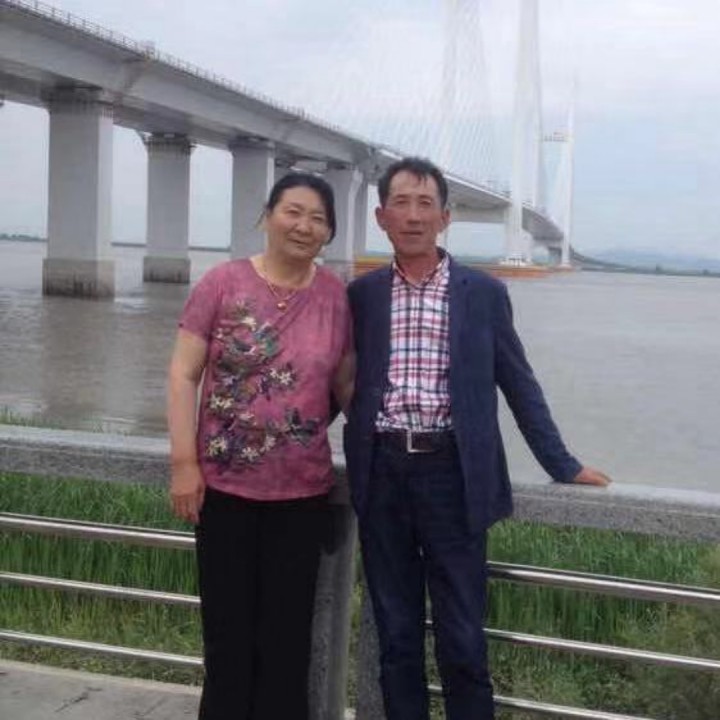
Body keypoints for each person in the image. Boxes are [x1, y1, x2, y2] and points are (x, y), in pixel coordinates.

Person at [344, 157, 610, 720]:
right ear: (381, 217)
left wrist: (562, 463)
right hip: (382, 473)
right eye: (401, 203)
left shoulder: (482, 294)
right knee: (395, 636)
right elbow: (334, 379)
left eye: (425, 204)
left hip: (454, 476)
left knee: (463, 637)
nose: (413, 216)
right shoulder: (362, 295)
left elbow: (518, 382)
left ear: (446, 217)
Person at [167, 172, 354, 720]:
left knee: (286, 644)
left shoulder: (335, 296)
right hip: (223, 492)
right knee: (227, 641)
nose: (304, 226)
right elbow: (182, 374)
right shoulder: (222, 284)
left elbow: (346, 386)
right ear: (267, 216)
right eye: (293, 211)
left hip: (301, 496)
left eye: (318, 218)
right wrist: (184, 464)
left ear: (329, 232)